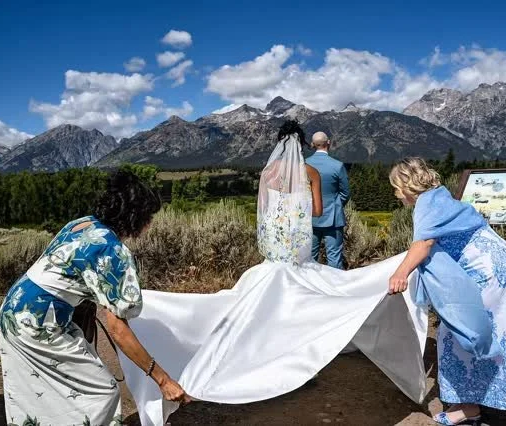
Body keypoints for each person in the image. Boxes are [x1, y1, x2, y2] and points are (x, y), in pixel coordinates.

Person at [121, 121, 428, 426]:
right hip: (297, 251)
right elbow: (317, 211)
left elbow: (265, 209)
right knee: (319, 295)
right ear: (302, 144)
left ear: (279, 143)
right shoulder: (310, 172)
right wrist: (299, 206)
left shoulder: (268, 172)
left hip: (276, 250)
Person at [0, 170, 189, 426]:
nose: (151, 223)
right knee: (102, 393)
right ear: (135, 216)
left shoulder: (83, 224)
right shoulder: (113, 252)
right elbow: (118, 330)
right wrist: (163, 380)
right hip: (39, 322)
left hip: (14, 309)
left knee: (42, 391)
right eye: (149, 216)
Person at [388, 158, 506, 426]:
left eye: (396, 188)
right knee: (499, 330)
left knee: (462, 332)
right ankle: (491, 395)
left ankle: (470, 407)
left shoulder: (425, 203)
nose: (396, 194)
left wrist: (400, 273)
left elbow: (423, 244)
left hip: (490, 272)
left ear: (406, 185)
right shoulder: (440, 195)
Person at [305, 131, 350, 269]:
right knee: (334, 259)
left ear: (313, 144)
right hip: (333, 218)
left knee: (308, 259)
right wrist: (337, 204)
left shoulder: (304, 164)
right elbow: (345, 193)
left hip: (309, 217)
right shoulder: (337, 165)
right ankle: (335, 283)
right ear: (328, 143)